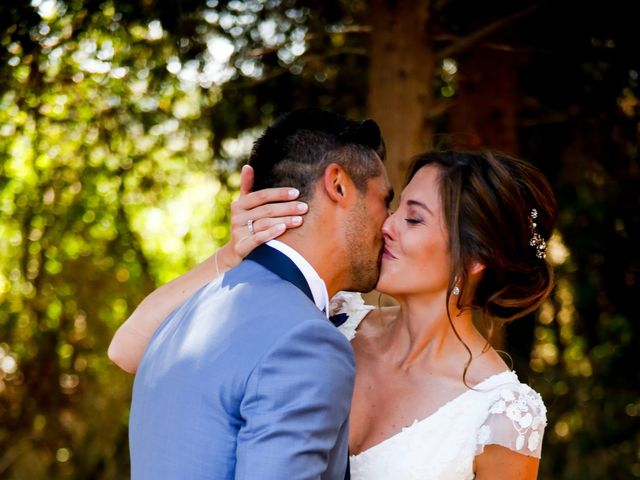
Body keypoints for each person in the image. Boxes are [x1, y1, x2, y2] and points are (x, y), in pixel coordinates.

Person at [112, 148, 556, 479]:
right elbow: (130, 349)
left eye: (414, 220)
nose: (387, 225)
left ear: (476, 257)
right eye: (396, 208)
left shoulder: (502, 415)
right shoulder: (330, 320)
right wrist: (231, 257)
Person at [124, 108, 393, 479]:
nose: (389, 223)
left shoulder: (185, 316)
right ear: (339, 185)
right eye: (385, 201)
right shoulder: (306, 339)